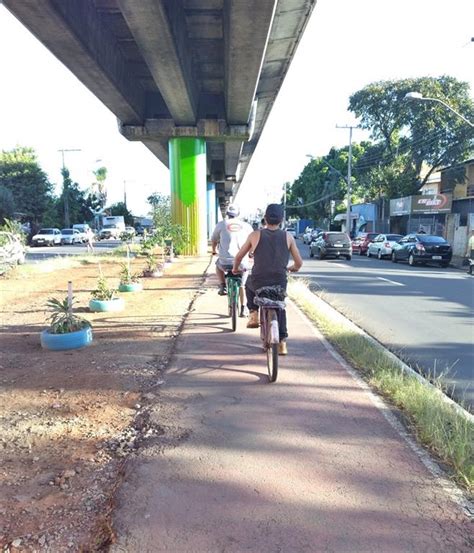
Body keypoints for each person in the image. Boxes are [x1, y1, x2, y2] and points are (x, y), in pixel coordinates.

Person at [232, 203, 303, 355]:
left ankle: (253, 314)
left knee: (248, 283)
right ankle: (283, 343)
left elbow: (239, 257)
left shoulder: (255, 235)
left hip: (259, 280)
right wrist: (293, 268)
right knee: (280, 305)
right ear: (282, 220)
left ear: (265, 218)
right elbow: (299, 263)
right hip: (279, 280)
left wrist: (235, 268)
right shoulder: (288, 237)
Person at [211, 204, 253, 316]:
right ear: (238, 214)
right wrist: (250, 253)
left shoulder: (221, 224)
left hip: (225, 262)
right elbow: (253, 242)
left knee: (217, 265)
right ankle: (244, 309)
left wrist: (214, 250)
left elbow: (214, 240)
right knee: (242, 285)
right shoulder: (247, 226)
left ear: (227, 214)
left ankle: (222, 286)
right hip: (242, 263)